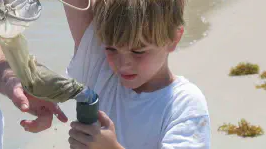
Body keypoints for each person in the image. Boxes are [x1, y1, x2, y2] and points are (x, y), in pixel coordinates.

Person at [0, 0, 211, 149]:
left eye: (138, 51)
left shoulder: (185, 104)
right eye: (111, 48)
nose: (123, 62)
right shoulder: (102, 68)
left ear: (174, 39)